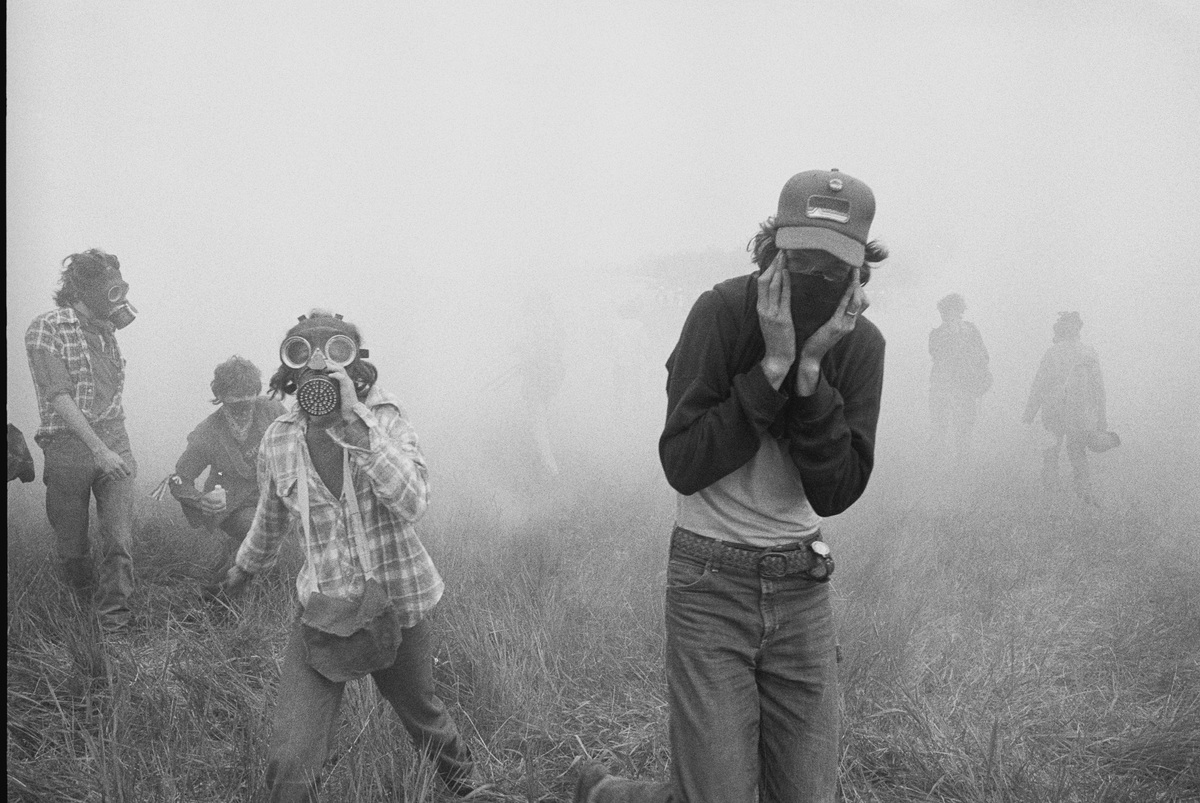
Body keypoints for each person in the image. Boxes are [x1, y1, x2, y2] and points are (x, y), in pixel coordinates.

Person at [575, 169, 888, 803]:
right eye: (800, 259)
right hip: (709, 581)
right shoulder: (720, 313)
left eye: (834, 269)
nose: (813, 279)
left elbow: (837, 490)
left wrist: (809, 372)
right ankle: (605, 793)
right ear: (773, 248)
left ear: (859, 274)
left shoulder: (861, 346)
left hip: (801, 586)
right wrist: (769, 366)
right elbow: (684, 463)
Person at [221, 310, 477, 801]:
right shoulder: (278, 438)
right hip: (325, 609)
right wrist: (242, 568)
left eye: (334, 352)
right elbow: (270, 518)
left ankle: (469, 790)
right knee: (291, 758)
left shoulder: (383, 418)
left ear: (354, 363)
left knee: (423, 717)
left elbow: (414, 500)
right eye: (302, 353)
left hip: (398, 603)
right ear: (290, 369)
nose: (317, 366)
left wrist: (355, 428)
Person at [24, 248, 139, 633]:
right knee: (72, 548)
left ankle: (113, 623)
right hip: (67, 445)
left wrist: (110, 447)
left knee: (118, 537)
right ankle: (77, 605)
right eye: (109, 285)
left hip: (113, 438)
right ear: (80, 287)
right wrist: (98, 449)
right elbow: (59, 396)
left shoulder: (107, 333)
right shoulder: (47, 327)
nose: (117, 294)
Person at [166, 356, 285, 583]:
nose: (242, 411)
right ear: (219, 397)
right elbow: (179, 478)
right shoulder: (207, 432)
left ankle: (237, 559)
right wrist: (200, 500)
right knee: (261, 530)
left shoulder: (272, 411)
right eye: (234, 404)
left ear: (256, 394)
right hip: (234, 507)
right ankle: (230, 587)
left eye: (247, 403)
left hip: (274, 497)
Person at [1022, 311, 1107, 504]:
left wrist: (1029, 412)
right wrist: (1101, 416)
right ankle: (1084, 494)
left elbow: (1039, 384)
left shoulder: (1052, 353)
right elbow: (1098, 388)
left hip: (1054, 410)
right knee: (1077, 452)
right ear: (1079, 329)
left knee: (1051, 451)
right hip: (1079, 411)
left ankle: (1051, 493)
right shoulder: (1088, 352)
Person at [927, 293, 991, 459]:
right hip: (951, 386)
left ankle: (957, 462)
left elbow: (983, 356)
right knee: (949, 427)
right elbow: (937, 355)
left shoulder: (965, 331)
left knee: (959, 427)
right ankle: (951, 461)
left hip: (958, 385)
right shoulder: (941, 334)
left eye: (949, 311)